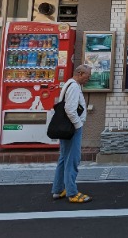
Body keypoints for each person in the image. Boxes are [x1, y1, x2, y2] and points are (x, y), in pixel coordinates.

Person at [51, 65, 92, 203]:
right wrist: (78, 125)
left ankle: (58, 189)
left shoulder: (69, 84)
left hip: (65, 127)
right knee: (72, 160)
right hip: (72, 128)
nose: (89, 78)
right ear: (80, 73)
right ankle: (72, 192)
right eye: (87, 76)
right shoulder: (74, 87)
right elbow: (70, 109)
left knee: (63, 158)